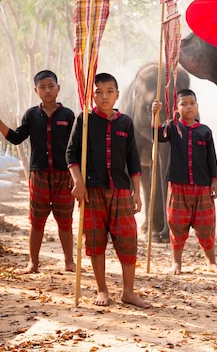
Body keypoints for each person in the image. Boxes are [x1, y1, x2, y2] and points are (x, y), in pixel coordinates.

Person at [66, 72, 151, 309]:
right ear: (91, 95)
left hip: (122, 191)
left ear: (117, 94)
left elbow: (133, 160)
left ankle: (128, 292)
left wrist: (137, 192)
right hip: (92, 191)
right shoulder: (85, 119)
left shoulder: (126, 122)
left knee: (127, 240)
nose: (104, 97)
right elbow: (71, 153)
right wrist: (78, 182)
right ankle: (102, 289)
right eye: (99, 92)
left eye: (109, 92)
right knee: (94, 240)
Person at [0, 69, 76, 274]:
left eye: (51, 86)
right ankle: (33, 263)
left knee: (65, 220)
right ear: (36, 91)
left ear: (58, 88)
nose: (47, 90)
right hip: (39, 175)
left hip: (65, 176)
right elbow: (17, 137)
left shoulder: (68, 115)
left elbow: (75, 147)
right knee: (37, 221)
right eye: (42, 87)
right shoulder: (32, 115)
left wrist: (75, 175)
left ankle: (69, 261)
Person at [151, 89, 217, 275]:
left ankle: (211, 262)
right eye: (184, 104)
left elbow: (212, 159)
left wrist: (214, 182)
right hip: (178, 185)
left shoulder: (205, 131)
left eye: (192, 103)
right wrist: (155, 115)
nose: (188, 107)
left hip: (203, 186)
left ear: (197, 106)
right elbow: (158, 137)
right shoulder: (172, 127)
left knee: (206, 225)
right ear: (176, 108)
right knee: (176, 224)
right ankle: (176, 263)